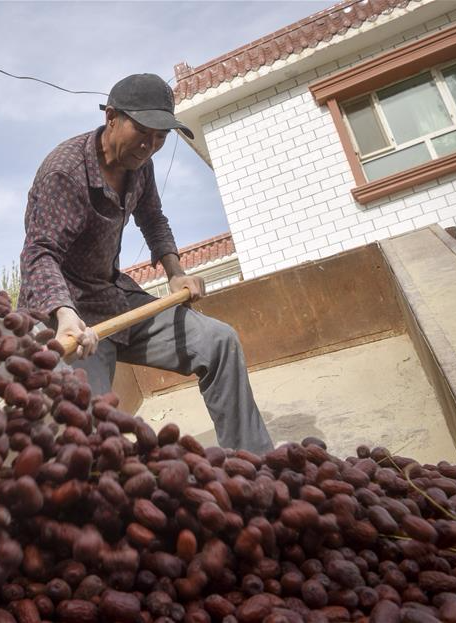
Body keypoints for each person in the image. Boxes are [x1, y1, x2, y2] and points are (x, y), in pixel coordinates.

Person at [18, 73, 273, 454]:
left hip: (114, 298)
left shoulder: (140, 164)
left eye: (161, 137)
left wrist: (176, 273)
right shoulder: (64, 172)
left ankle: (256, 463)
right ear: (112, 118)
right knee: (93, 428)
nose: (150, 146)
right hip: (68, 321)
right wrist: (65, 315)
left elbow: (152, 218)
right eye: (143, 131)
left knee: (219, 342)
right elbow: (39, 253)